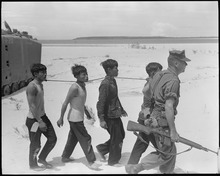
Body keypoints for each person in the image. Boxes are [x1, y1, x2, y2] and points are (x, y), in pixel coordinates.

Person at [125, 50, 191, 174]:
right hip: (162, 121)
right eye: (184, 62)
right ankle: (137, 167)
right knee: (167, 153)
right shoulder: (173, 80)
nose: (186, 65)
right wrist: (173, 130)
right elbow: (169, 106)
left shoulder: (159, 75)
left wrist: (151, 110)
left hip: (154, 118)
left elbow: (146, 92)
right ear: (176, 63)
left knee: (170, 150)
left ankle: (166, 171)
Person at [57, 64, 101, 170]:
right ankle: (91, 161)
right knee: (86, 138)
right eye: (83, 74)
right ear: (76, 76)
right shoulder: (74, 88)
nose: (86, 76)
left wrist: (86, 112)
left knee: (73, 138)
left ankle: (65, 157)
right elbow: (65, 103)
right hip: (75, 118)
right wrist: (61, 118)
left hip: (78, 117)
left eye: (86, 74)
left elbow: (80, 102)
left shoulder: (83, 86)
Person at [125, 62, 163, 172]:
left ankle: (131, 165)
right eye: (159, 71)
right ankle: (164, 169)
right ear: (153, 73)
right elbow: (147, 104)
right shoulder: (150, 85)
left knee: (141, 143)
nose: (161, 74)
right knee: (162, 148)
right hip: (148, 120)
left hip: (145, 119)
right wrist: (149, 119)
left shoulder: (152, 83)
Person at [96, 59, 128, 166]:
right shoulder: (105, 84)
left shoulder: (113, 81)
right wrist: (101, 119)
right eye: (115, 68)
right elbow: (101, 102)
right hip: (109, 116)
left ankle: (102, 149)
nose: (117, 70)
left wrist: (122, 110)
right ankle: (113, 161)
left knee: (121, 135)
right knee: (117, 137)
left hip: (115, 113)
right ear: (109, 70)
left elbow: (115, 98)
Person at [25, 63, 57, 171]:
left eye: (45, 72)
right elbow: (32, 106)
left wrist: (42, 119)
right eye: (42, 72)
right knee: (35, 143)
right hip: (34, 119)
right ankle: (33, 165)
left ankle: (42, 158)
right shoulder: (32, 86)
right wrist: (39, 121)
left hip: (43, 116)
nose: (45, 74)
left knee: (52, 139)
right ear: (35, 74)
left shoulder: (40, 84)